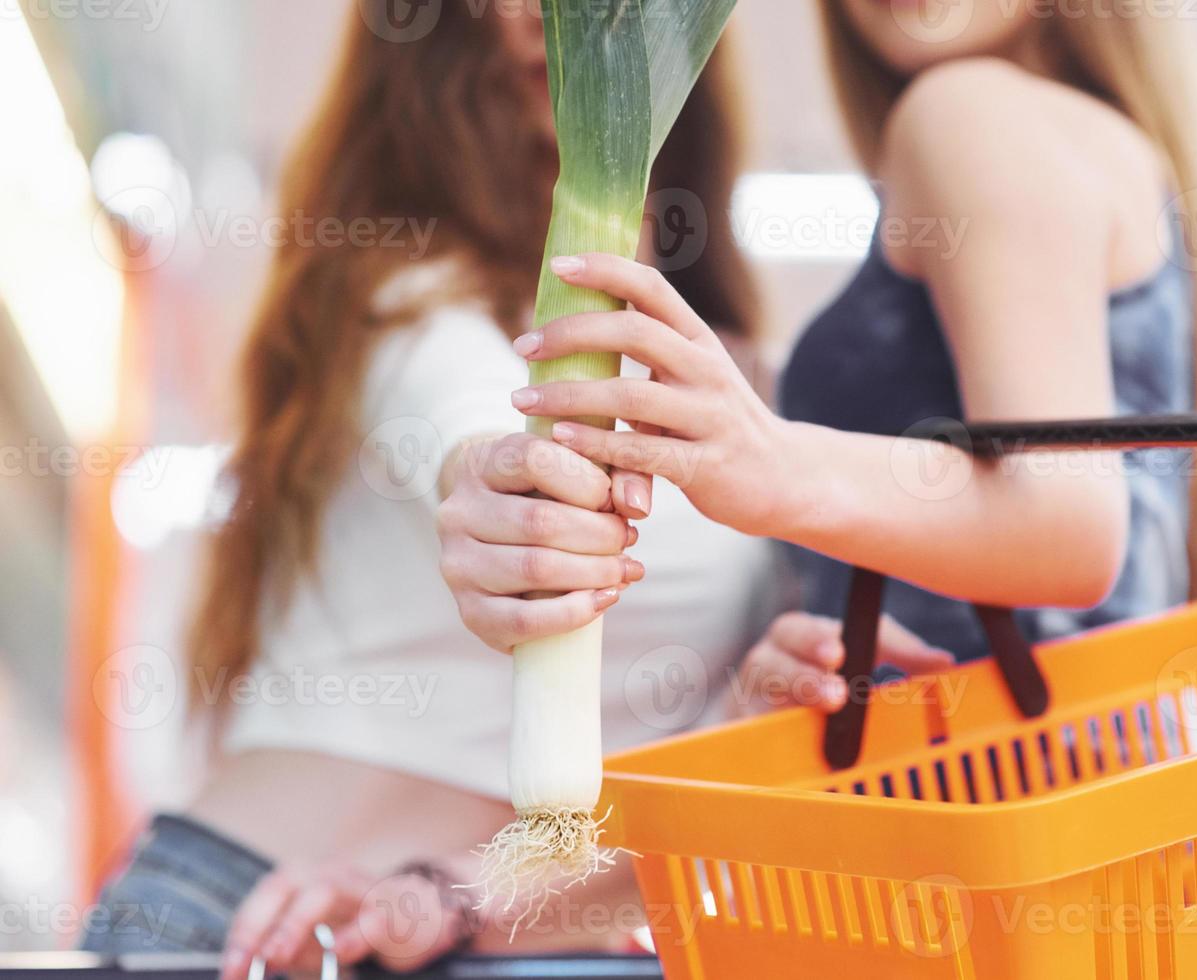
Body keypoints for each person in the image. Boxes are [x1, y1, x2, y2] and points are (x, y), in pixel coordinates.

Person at [81, 1, 955, 969]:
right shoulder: (392, 295)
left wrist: (740, 725)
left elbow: (629, 834)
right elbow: (462, 429)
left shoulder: (748, 401)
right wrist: (501, 489)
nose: (557, 20)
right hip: (254, 919)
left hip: (500, 928)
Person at [489, 0, 1197, 663]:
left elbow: (1067, 526)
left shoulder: (967, 110)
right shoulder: (1104, 139)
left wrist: (769, 458)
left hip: (977, 800)